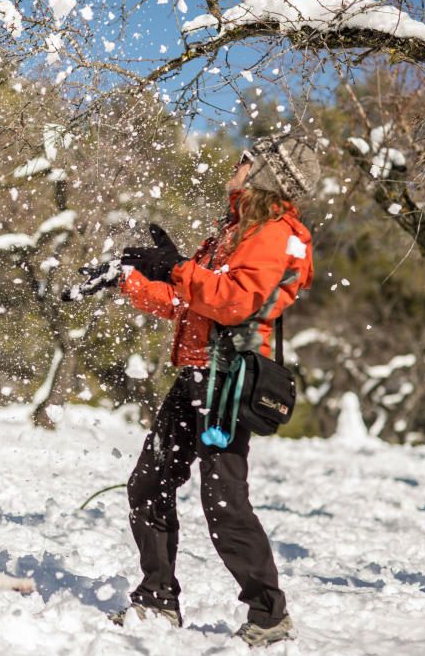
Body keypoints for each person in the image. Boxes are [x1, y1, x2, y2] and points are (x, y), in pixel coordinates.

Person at [112, 134, 319, 647]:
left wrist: (178, 268)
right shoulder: (235, 231)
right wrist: (130, 280)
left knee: (223, 500)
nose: (237, 164)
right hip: (197, 375)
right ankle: (157, 599)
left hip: (228, 383)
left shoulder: (273, 234)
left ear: (266, 176)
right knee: (148, 483)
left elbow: (237, 303)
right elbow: (193, 304)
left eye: (247, 160)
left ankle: (268, 615)